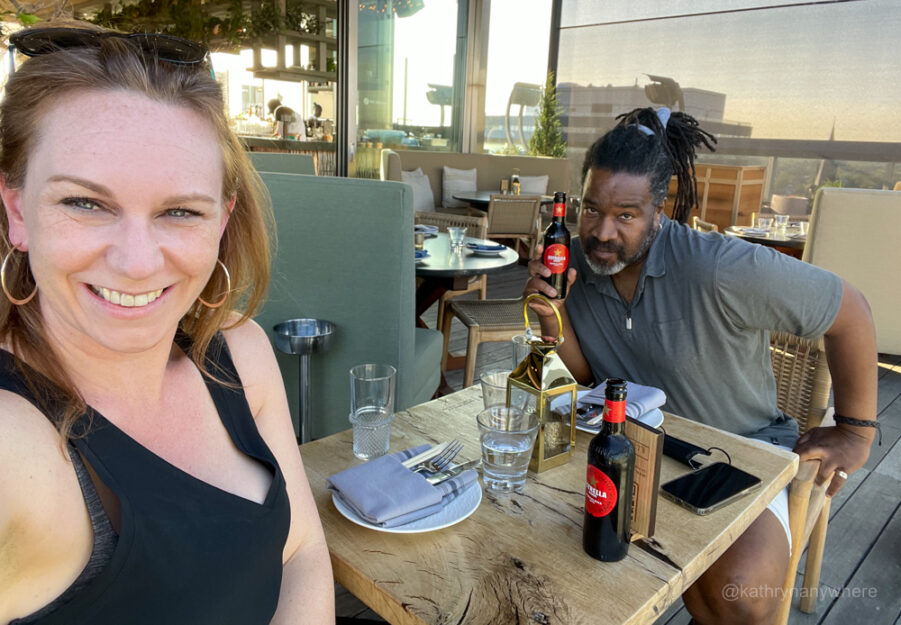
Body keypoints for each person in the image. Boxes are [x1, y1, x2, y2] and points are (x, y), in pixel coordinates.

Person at [0, 24, 334, 624]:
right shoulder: (15, 444)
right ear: (17, 209)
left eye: (180, 212)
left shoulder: (239, 354)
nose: (137, 262)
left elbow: (302, 552)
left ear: (223, 220)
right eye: (85, 203)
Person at [525, 107, 878, 625]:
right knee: (535, 547)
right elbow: (583, 381)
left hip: (735, 454)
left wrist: (855, 431)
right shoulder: (574, 261)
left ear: (657, 210)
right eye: (592, 209)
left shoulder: (719, 267)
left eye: (626, 215)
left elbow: (851, 311)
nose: (603, 232)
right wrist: (553, 316)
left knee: (740, 596)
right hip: (627, 448)